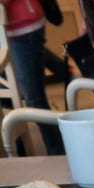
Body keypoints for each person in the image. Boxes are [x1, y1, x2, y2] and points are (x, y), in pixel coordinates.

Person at [0, 0, 64, 154]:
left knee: (33, 98)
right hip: (5, 32)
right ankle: (22, 145)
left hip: (24, 26)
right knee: (9, 95)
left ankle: (58, 152)